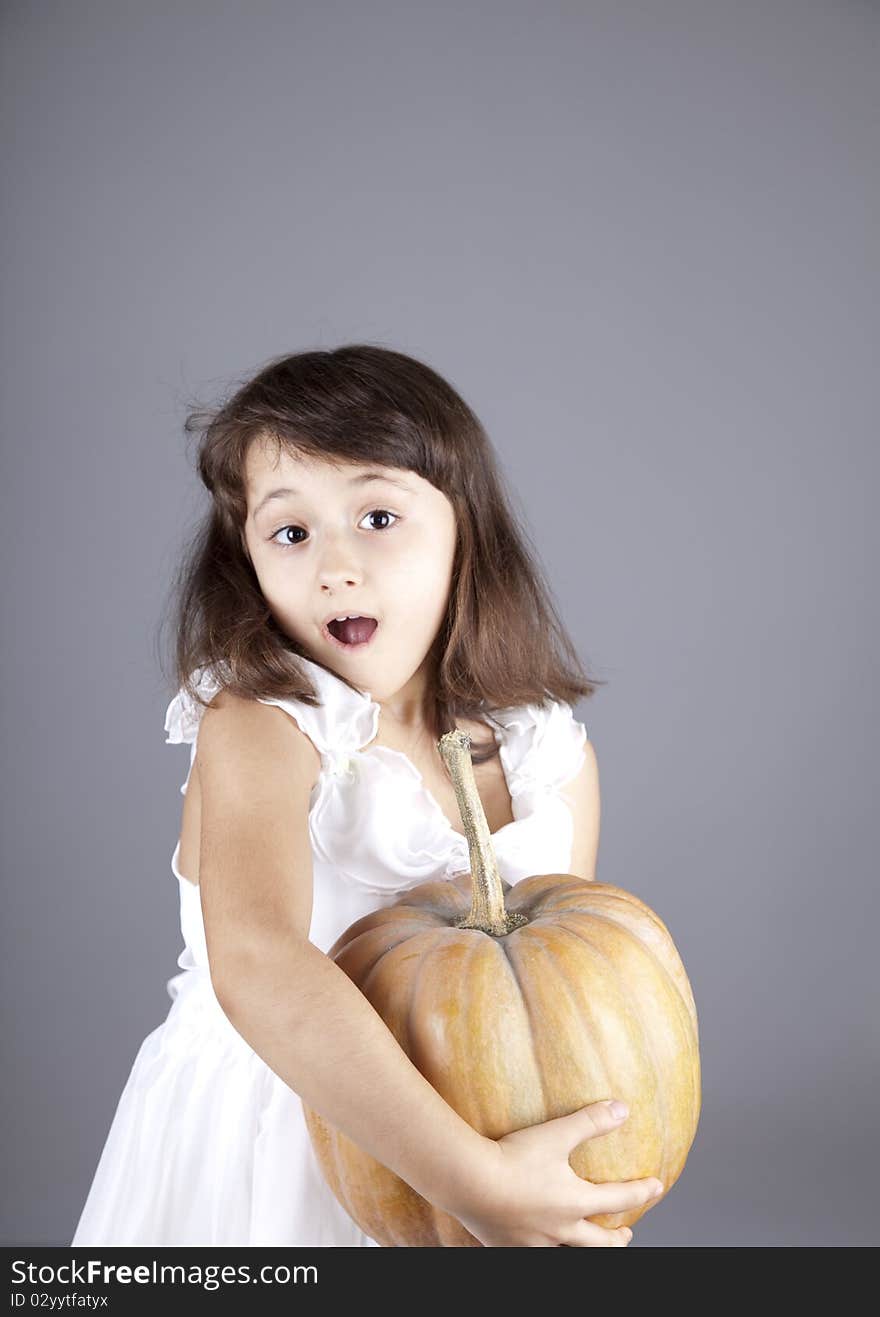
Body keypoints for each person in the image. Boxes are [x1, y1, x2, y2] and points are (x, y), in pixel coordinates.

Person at [71, 344, 663, 1247]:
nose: (334, 565)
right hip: (277, 1152)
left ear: (466, 530)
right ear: (247, 561)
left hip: (478, 1154)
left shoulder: (547, 757)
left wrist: (549, 1178)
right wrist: (476, 1183)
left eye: (378, 515)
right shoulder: (262, 726)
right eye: (291, 532)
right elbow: (262, 963)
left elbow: (553, 1000)